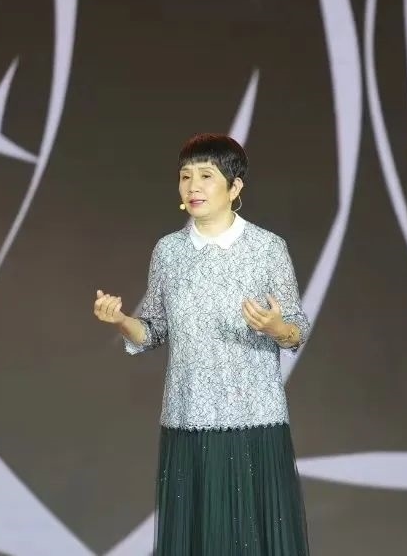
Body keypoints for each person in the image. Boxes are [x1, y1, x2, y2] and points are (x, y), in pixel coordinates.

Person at [93, 133, 311, 555]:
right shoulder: (168, 252)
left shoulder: (267, 248)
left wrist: (275, 327)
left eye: (206, 176)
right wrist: (120, 321)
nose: (193, 186)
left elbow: (296, 331)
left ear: (235, 186)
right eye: (185, 176)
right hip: (187, 419)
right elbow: (153, 330)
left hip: (254, 422)